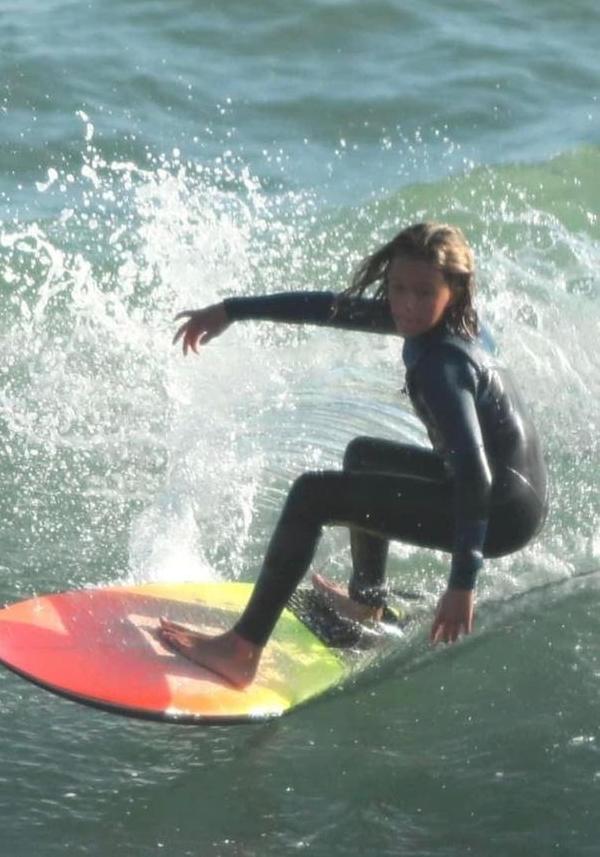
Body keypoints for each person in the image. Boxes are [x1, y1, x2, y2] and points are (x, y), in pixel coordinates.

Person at [158, 222, 548, 688]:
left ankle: (241, 650)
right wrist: (232, 311)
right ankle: (367, 602)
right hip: (515, 491)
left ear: (455, 289)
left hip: (498, 508)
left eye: (423, 292)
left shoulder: (444, 365)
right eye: (398, 288)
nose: (405, 304)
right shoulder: (444, 321)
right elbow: (330, 309)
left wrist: (462, 582)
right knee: (362, 455)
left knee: (311, 495)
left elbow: (474, 476)